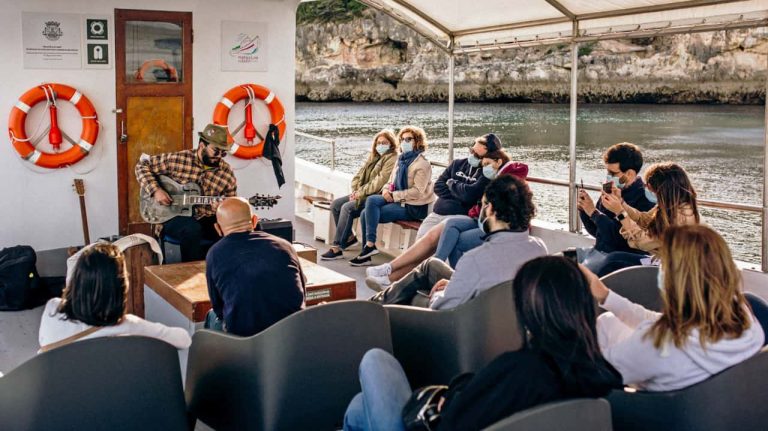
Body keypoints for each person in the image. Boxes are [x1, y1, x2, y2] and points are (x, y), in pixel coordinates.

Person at [344, 256, 622, 431]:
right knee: (359, 408)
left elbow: (455, 419)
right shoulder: (600, 373)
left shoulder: (522, 369)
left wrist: (449, 397)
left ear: (529, 310)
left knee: (375, 361)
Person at [585, 224, 764, 392]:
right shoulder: (745, 318)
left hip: (643, 415)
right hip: (722, 411)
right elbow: (659, 324)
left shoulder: (658, 345)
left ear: (676, 278)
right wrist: (606, 296)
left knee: (601, 329)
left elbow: (589, 374)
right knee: (609, 321)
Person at [370, 175, 546, 309]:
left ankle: (373, 307)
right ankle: (383, 291)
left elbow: (441, 306)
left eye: (483, 205)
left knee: (412, 294)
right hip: (499, 316)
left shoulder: (476, 259)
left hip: (462, 323)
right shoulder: (538, 249)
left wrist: (442, 293)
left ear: (490, 209)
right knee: (431, 265)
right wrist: (455, 284)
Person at [365, 148, 528, 289]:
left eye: (485, 164)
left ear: (498, 161)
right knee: (448, 225)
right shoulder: (487, 174)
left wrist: (458, 189)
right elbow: (444, 188)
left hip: (496, 225)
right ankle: (394, 270)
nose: (483, 167)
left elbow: (474, 196)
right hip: (478, 219)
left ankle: (433, 273)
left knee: (453, 239)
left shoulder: (511, 175)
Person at [38, 243, 191, 352]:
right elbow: (184, 340)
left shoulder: (52, 308)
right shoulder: (130, 326)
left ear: (77, 280)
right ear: (120, 287)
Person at [135, 123, 237, 262]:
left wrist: (221, 208)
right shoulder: (179, 159)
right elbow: (142, 165)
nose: (219, 156)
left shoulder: (226, 173)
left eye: (223, 153)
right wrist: (156, 190)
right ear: (202, 145)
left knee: (232, 227)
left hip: (205, 217)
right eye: (216, 151)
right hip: (172, 215)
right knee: (191, 229)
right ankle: (190, 272)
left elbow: (231, 202)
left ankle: (221, 271)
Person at [206, 197, 305, 337]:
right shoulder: (285, 246)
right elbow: (303, 292)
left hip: (247, 341)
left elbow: (218, 307)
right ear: (254, 220)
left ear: (218, 228)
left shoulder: (215, 254)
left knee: (212, 317)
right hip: (291, 334)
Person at [350, 126, 435, 266]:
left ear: (417, 141)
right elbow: (390, 181)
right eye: (402, 139)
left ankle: (368, 250)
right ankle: (369, 247)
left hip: (413, 207)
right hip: (397, 201)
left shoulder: (422, 164)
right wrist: (385, 191)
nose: (404, 142)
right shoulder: (400, 160)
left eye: (409, 139)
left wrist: (394, 196)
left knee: (366, 213)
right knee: (371, 201)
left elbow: (417, 192)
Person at [597, 162, 699, 276]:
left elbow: (643, 242)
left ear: (661, 190)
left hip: (671, 270)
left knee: (614, 261)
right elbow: (644, 219)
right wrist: (621, 203)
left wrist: (620, 212)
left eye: (648, 186)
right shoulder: (673, 205)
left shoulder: (680, 217)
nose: (645, 188)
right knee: (614, 258)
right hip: (663, 261)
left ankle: (592, 292)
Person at [576, 143, 655, 272]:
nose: (609, 176)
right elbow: (597, 233)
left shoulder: (646, 199)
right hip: (599, 252)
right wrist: (584, 210)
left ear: (629, 173)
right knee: (556, 262)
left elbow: (622, 241)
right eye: (607, 171)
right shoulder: (611, 190)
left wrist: (594, 213)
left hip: (620, 260)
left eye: (613, 173)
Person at [321, 130, 399, 260]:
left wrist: (360, 193)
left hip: (376, 196)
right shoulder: (373, 157)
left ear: (391, 144)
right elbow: (358, 175)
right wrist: (356, 191)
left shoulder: (392, 158)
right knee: (336, 205)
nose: (380, 145)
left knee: (347, 208)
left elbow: (380, 181)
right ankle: (350, 238)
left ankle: (337, 247)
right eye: (378, 143)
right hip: (362, 193)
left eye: (384, 143)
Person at [413, 134, 495, 239]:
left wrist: (452, 184)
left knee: (435, 240)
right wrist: (460, 193)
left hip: (458, 216)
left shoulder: (486, 173)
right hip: (437, 213)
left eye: (478, 156)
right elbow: (438, 186)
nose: (473, 156)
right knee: (419, 241)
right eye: (472, 151)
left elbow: (470, 195)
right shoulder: (457, 164)